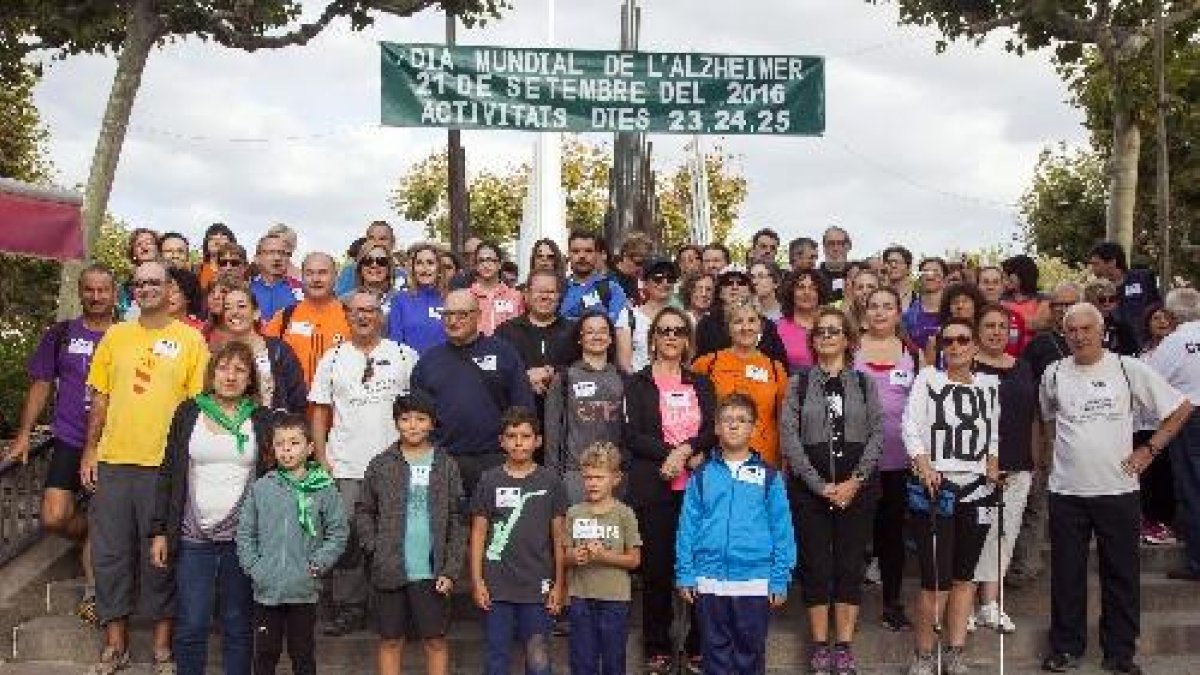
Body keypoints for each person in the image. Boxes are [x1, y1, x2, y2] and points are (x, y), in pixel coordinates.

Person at [1040, 303, 1191, 674]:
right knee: (1066, 576)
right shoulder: (1053, 373)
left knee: (1121, 574)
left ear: (1102, 328)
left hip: (1118, 490)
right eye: (1071, 330)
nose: (1079, 336)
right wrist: (1046, 463)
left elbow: (1181, 407)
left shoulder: (1128, 368)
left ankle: (1120, 653)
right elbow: (1045, 422)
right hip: (1067, 492)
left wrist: (1149, 449)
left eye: (1086, 328)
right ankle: (1065, 648)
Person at [81, 260, 209, 675]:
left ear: (170, 288)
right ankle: (114, 643)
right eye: (140, 284)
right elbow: (99, 399)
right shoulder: (116, 336)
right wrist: (89, 452)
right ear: (132, 291)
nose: (147, 289)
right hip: (114, 461)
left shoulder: (190, 340)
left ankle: (161, 646)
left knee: (160, 558)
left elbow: (196, 410)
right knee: (110, 555)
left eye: (155, 282)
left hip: (164, 467)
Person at [148, 341, 276, 675]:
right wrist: (159, 529)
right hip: (193, 537)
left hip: (243, 540)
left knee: (237, 624)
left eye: (239, 370)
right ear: (211, 373)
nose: (230, 376)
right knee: (191, 623)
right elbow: (168, 472)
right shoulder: (189, 411)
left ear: (250, 378)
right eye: (223, 368)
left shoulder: (261, 419)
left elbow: (275, 478)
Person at [7, 265, 115, 624]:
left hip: (113, 444)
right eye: (90, 290)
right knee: (54, 517)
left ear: (115, 294)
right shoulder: (62, 334)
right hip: (69, 437)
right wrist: (24, 434)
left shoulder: (127, 336)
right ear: (81, 292)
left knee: (103, 513)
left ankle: (95, 593)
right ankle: (100, 531)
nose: (96, 296)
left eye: (103, 290)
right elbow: (41, 384)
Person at [310, 289, 418, 636]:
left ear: (380, 315)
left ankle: (395, 607)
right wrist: (322, 457)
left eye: (370, 310)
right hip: (346, 465)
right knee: (347, 542)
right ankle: (349, 608)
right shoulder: (332, 358)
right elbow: (319, 411)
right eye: (356, 311)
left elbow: (420, 411)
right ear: (347, 315)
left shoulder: (404, 355)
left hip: (395, 465)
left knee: (396, 537)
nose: (363, 316)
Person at [781, 308, 882, 674]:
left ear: (847, 339)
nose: (826, 336)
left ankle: (844, 647)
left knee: (849, 565)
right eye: (820, 331)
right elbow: (789, 438)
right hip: (811, 490)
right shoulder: (799, 383)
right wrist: (818, 485)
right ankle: (820, 647)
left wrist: (855, 480)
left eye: (834, 331)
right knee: (816, 566)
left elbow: (876, 434)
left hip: (857, 489)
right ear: (813, 340)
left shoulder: (863, 382)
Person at [902, 318, 1001, 675]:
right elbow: (910, 425)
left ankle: (956, 652)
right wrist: (924, 465)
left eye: (963, 340)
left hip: (978, 492)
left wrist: (993, 464)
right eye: (949, 341)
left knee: (964, 578)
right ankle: (924, 654)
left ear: (975, 346)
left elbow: (992, 435)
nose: (956, 346)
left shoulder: (989, 386)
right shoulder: (928, 378)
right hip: (937, 490)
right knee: (935, 581)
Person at [676, 392, 797, 675]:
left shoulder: (770, 477)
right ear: (716, 427)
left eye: (741, 420)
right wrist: (685, 573)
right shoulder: (702, 475)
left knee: (750, 655)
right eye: (727, 420)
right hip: (708, 581)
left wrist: (780, 578)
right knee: (714, 655)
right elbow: (687, 526)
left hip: (754, 582)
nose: (733, 425)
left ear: (754, 428)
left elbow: (783, 530)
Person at [624, 307, 715, 674]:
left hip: (697, 487)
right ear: (653, 338)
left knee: (697, 565)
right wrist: (673, 454)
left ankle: (696, 645)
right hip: (655, 485)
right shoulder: (638, 383)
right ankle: (657, 646)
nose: (671, 337)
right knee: (658, 571)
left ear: (687, 340)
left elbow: (712, 428)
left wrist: (688, 449)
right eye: (664, 331)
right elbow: (631, 435)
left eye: (679, 331)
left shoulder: (701, 383)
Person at [356, 394, 467, 675]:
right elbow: (364, 510)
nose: (413, 426)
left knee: (435, 641)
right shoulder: (381, 464)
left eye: (420, 419)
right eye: (405, 419)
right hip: (390, 568)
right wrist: (374, 547)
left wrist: (451, 569)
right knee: (391, 640)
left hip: (432, 572)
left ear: (431, 423)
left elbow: (458, 518)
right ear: (396, 423)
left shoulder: (446, 465)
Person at [236, 414, 348, 675]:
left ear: (309, 448)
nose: (286, 450)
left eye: (294, 443)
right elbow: (245, 533)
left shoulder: (323, 487)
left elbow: (338, 532)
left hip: (303, 589)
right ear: (272, 449)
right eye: (280, 444)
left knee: (303, 654)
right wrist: (255, 567)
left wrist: (317, 564)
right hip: (267, 590)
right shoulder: (262, 488)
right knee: (265, 654)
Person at [469, 406, 568, 675]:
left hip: (538, 588)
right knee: (496, 659)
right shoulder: (489, 480)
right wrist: (477, 581)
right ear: (501, 441)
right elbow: (478, 533)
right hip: (497, 587)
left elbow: (560, 537)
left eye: (525, 436)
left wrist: (560, 585)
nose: (518, 442)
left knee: (538, 661)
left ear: (538, 441)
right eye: (512, 436)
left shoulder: (550, 481)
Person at [411, 289, 537, 498]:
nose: (453, 321)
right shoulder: (428, 361)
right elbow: (416, 416)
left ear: (478, 316)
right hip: (444, 462)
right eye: (448, 314)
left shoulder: (504, 353)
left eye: (462, 314)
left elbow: (523, 410)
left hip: (496, 461)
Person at [968, 305, 1038, 635]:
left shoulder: (1023, 367)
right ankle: (964, 604)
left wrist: (1036, 460)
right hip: (973, 467)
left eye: (1003, 326)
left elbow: (1034, 417)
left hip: (1018, 464)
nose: (997, 331)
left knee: (1005, 535)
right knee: (972, 537)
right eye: (990, 325)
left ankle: (990, 604)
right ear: (977, 331)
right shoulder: (966, 366)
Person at [1006, 282, 1082, 587]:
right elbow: (1027, 391)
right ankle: (1026, 565)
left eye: (1069, 304)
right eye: (1057, 305)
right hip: (1047, 430)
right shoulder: (1039, 345)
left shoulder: (1093, 342)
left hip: (1085, 435)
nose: (1063, 310)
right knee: (1036, 500)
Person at [856, 287, 920, 631]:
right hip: (856, 461)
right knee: (852, 535)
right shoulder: (850, 348)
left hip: (898, 460)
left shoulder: (913, 352)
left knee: (891, 535)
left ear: (899, 312)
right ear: (864, 312)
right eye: (873, 307)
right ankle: (844, 603)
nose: (880, 313)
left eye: (887, 307)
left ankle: (892, 604)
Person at [563, 442, 642, 675]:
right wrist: (573, 556)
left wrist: (604, 555)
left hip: (615, 600)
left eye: (599, 477)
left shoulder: (625, 514)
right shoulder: (574, 513)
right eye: (587, 477)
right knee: (582, 662)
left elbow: (634, 560)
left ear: (615, 478)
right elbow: (564, 556)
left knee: (613, 662)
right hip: (580, 598)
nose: (593, 483)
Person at [1145, 288, 1200, 580]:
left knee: (1192, 488)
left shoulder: (1173, 343)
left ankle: (1197, 562)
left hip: (1188, 418)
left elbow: (1151, 381)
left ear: (1172, 314)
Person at [693, 302, 789, 467]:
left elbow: (784, 421)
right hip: (717, 459)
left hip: (764, 460)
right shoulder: (707, 364)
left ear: (761, 326)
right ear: (728, 328)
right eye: (738, 321)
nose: (746, 327)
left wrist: (785, 464)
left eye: (752, 321)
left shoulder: (775, 369)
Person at [545, 312, 628, 503]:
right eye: (590, 332)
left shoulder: (623, 379)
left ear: (610, 338)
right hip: (575, 475)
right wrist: (553, 478)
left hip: (613, 475)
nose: (596, 336)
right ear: (580, 339)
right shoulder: (565, 378)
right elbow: (552, 432)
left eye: (602, 331)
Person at [262, 252, 351, 387]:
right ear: (302, 278)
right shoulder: (284, 317)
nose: (316, 279)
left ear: (335, 277)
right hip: (294, 404)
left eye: (322, 273)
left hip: (338, 405)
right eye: (309, 273)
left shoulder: (351, 317)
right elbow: (263, 357)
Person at [494, 270, 574, 418]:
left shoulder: (573, 331)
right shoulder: (505, 332)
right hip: (518, 424)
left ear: (559, 296)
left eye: (551, 292)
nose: (545, 296)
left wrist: (551, 372)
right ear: (526, 294)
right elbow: (494, 374)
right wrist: (523, 378)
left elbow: (585, 370)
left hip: (565, 421)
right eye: (539, 291)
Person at [215, 287, 307, 413]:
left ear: (256, 313)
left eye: (241, 306)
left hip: (272, 427)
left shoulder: (279, 350)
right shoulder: (218, 353)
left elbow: (297, 398)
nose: (234, 312)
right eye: (227, 308)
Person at [1136, 304, 1179, 546]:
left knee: (1168, 477)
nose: (1162, 321)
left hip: (1173, 422)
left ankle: (1167, 522)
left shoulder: (1180, 350)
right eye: (1156, 317)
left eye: (1166, 317)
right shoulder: (1142, 354)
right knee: (1150, 476)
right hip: (1145, 423)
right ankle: (1151, 523)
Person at [694, 266, 787, 364]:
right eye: (728, 283)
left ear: (750, 291)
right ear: (720, 293)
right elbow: (699, 364)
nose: (735, 287)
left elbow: (780, 364)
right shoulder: (706, 324)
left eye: (741, 283)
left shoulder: (766, 325)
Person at [1089, 241, 1161, 343]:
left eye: (1096, 264)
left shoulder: (1143, 278)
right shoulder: (1096, 290)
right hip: (1120, 346)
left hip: (1147, 343)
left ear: (1112, 262)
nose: (1093, 269)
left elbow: (1157, 307)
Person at [388, 243, 449, 355]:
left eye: (430, 263)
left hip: (444, 368)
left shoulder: (450, 300)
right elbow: (395, 344)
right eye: (419, 263)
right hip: (411, 368)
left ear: (439, 268)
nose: (425, 268)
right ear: (412, 269)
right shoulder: (400, 300)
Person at [631, 259, 679, 372]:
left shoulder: (684, 318)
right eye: (658, 278)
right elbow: (624, 363)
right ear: (645, 283)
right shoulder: (630, 316)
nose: (665, 283)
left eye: (670, 278)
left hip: (674, 385)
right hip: (639, 383)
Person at [777, 269, 828, 371]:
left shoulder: (831, 325)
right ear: (791, 292)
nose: (807, 292)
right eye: (801, 287)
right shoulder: (777, 328)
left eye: (813, 288)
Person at [471, 241, 525, 335]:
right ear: (476, 266)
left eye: (490, 260)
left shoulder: (516, 296)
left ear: (500, 264)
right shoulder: (467, 296)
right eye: (481, 260)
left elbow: (522, 329)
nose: (486, 265)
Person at [926, 283, 987, 366]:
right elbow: (929, 373)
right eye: (955, 302)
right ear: (948, 307)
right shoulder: (936, 340)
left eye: (965, 301)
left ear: (975, 304)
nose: (960, 306)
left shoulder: (985, 336)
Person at [337, 220, 401, 296]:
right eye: (371, 238)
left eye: (382, 239)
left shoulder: (404, 274)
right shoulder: (351, 270)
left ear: (392, 242)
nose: (377, 243)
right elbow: (341, 300)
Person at [977, 266, 1029, 357]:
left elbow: (1019, 354)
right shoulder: (969, 316)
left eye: (996, 282)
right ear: (977, 286)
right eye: (985, 282)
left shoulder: (1017, 318)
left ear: (1002, 287)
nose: (990, 287)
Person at [251, 234, 302, 323]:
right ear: (257, 258)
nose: (277, 258)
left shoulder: (302, 290)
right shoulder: (245, 289)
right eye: (271, 252)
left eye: (282, 253)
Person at [343, 242, 400, 318]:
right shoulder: (345, 301)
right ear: (360, 267)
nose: (374, 265)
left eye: (381, 261)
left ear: (389, 268)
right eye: (368, 260)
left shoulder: (402, 299)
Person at [902, 257, 947, 353]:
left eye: (936, 272)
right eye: (925, 272)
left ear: (945, 278)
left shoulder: (954, 309)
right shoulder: (908, 314)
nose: (930, 277)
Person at [1001, 254, 1050, 340]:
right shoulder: (1002, 298)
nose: (1005, 279)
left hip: (1034, 350)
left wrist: (1010, 322)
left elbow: (1037, 324)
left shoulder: (1042, 299)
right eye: (1004, 276)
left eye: (1009, 275)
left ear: (1023, 274)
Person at [1086, 279, 1140, 356]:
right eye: (1102, 299)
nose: (1107, 303)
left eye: (1111, 299)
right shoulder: (1081, 326)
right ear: (1091, 301)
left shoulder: (1123, 328)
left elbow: (1132, 355)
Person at [117, 228, 161, 319]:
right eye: (138, 244)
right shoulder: (125, 287)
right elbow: (123, 315)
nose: (144, 246)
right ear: (133, 253)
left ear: (158, 248)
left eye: (149, 243)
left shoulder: (171, 278)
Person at [612, 231, 652, 301]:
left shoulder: (635, 280)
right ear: (625, 255)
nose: (641, 268)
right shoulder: (608, 280)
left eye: (645, 263)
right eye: (638, 263)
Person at [817, 226, 853, 302]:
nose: (835, 248)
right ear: (824, 248)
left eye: (840, 243)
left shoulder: (859, 276)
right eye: (831, 243)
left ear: (848, 247)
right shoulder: (813, 278)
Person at [197, 223, 237, 290]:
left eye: (222, 237)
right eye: (212, 238)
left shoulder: (237, 269)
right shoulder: (196, 269)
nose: (217, 241)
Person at [882, 245, 915, 311]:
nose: (893, 266)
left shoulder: (919, 298)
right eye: (889, 262)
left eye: (898, 262)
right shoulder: (877, 295)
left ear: (908, 267)